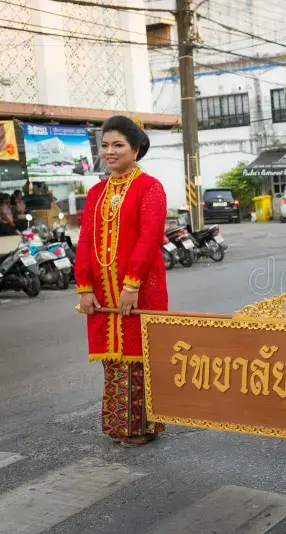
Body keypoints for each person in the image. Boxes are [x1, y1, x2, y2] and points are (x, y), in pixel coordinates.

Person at [74, 115, 167, 447]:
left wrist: (131, 286)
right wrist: (84, 287)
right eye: (105, 145)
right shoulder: (97, 192)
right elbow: (85, 241)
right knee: (114, 360)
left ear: (137, 148)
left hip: (140, 288)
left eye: (118, 145)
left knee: (140, 357)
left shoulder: (150, 187)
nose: (109, 152)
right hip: (102, 291)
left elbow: (149, 238)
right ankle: (119, 426)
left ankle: (142, 427)